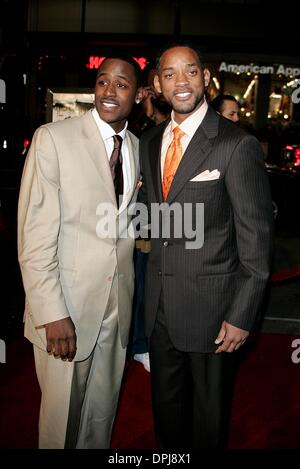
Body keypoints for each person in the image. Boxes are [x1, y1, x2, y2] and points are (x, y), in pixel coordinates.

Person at [138, 42, 274, 449]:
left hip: (214, 314)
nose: (181, 81)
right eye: (170, 74)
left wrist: (242, 314)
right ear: (159, 85)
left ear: (206, 78)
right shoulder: (151, 141)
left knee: (207, 423)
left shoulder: (235, 144)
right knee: (167, 416)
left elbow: (257, 240)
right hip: (160, 307)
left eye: (190, 71)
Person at [18, 56, 142, 449]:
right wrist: (52, 313)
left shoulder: (138, 147)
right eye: (103, 81)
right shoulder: (53, 138)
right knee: (61, 426)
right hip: (66, 310)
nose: (109, 91)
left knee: (100, 420)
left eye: (122, 84)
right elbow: (34, 236)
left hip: (116, 311)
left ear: (138, 95)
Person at [128, 65, 171, 372]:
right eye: (154, 84)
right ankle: (141, 345)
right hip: (141, 223)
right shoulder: (139, 127)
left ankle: (148, 342)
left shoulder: (172, 124)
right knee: (141, 284)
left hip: (172, 223)